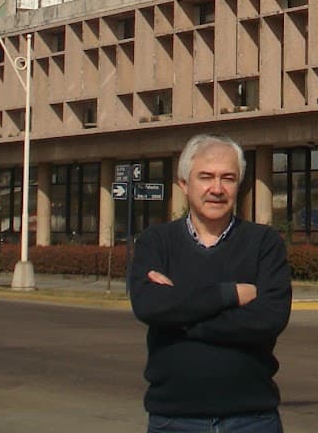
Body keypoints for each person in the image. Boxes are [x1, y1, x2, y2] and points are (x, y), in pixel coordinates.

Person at [129, 133, 292, 433]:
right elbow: (149, 306)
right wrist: (229, 294)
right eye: (206, 177)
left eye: (227, 178)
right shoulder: (156, 242)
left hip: (252, 420)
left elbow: (269, 319)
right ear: (184, 184)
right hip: (174, 421)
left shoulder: (264, 243)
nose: (217, 189)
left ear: (238, 185)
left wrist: (180, 316)